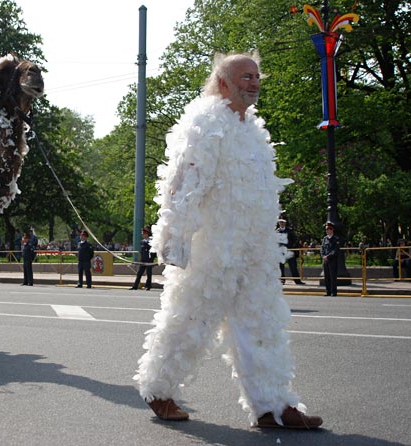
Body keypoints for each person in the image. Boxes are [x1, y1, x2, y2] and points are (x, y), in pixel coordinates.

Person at [134, 53, 322, 429]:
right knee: (189, 319)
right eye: (244, 77)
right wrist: (174, 238)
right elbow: (183, 185)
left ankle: (273, 405)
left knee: (260, 323)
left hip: (254, 249)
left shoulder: (254, 130)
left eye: (256, 76)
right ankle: (159, 389)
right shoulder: (204, 123)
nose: (253, 83)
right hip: (212, 248)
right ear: (223, 83)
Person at [277, 218, 304, 285]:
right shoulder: (277, 231)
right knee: (280, 267)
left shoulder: (289, 230)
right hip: (281, 251)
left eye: (282, 222)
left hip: (289, 251)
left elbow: (295, 239)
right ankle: (282, 280)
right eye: (280, 222)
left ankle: (297, 280)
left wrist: (291, 247)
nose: (281, 224)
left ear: (285, 223)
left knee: (293, 266)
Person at [130, 226, 156, 290]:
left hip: (149, 259)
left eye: (143, 233)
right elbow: (142, 251)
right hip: (143, 259)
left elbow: (153, 251)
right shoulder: (142, 241)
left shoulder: (151, 241)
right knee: (139, 273)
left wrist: (152, 259)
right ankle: (135, 286)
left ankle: (148, 286)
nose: (142, 235)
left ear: (147, 233)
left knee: (149, 273)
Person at [321, 221, 340, 297]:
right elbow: (322, 249)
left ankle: (333, 292)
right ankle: (328, 291)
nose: (327, 231)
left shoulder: (336, 239)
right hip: (325, 260)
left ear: (332, 230)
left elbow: (335, 250)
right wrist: (323, 256)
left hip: (332, 260)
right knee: (327, 277)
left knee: (333, 277)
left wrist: (328, 256)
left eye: (329, 229)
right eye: (326, 229)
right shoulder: (325, 239)